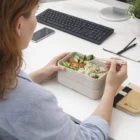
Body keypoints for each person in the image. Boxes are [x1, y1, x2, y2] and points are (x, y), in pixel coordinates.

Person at [0, 0, 127, 140]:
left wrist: (40, 74)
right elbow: (89, 137)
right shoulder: (33, 102)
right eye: (35, 12)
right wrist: (110, 89)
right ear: (19, 25)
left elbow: (9, 87)